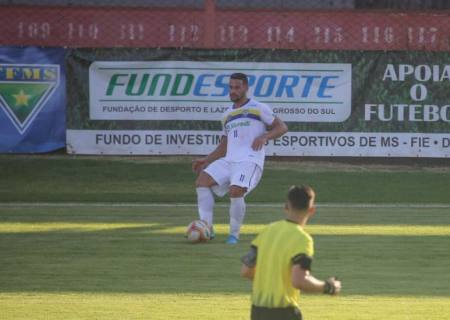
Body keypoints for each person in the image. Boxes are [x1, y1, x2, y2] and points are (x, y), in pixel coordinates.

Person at [192, 72, 288, 244]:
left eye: (237, 87)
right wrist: (206, 160)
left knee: (236, 191)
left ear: (245, 88)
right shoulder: (227, 114)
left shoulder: (258, 107)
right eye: (230, 87)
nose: (233, 91)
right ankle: (207, 227)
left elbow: (281, 127)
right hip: (229, 160)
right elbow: (225, 143)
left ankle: (233, 235)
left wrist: (265, 137)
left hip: (249, 160)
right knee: (202, 181)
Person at [240, 185, 342, 320]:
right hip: (284, 313)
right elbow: (299, 280)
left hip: (257, 312)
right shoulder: (302, 239)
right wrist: (328, 287)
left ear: (286, 206)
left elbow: (246, 271)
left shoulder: (266, 232)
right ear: (311, 210)